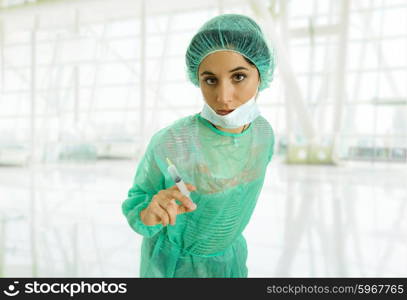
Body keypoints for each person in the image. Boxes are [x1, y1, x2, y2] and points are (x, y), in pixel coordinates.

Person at [121, 13, 275, 278]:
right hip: (173, 267)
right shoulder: (173, 141)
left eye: (238, 77)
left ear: (261, 75)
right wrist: (151, 212)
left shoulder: (264, 134)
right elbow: (139, 205)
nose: (223, 96)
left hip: (231, 262)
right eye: (210, 80)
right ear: (197, 79)